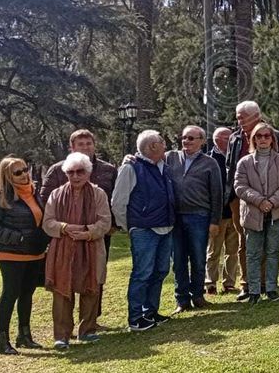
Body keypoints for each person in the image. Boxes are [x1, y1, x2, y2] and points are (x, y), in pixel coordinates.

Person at [40, 129, 117, 321]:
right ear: (71, 147)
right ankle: (64, 328)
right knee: (64, 281)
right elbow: (45, 205)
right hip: (64, 240)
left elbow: (114, 203)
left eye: (88, 143)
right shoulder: (57, 173)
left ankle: (90, 324)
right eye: (80, 144)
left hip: (96, 237)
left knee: (93, 280)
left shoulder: (106, 174)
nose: (75, 176)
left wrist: (102, 228)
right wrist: (63, 227)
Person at [42, 152, 111, 350]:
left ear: (88, 172)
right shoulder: (56, 194)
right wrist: (64, 227)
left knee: (91, 287)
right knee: (62, 290)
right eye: (71, 172)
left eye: (80, 171)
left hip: (91, 246)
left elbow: (105, 222)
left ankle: (87, 331)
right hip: (62, 248)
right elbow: (47, 222)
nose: (75, 176)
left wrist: (88, 233)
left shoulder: (98, 194)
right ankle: (61, 335)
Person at [0, 156, 50, 355]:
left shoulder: (33, 191)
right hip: (11, 254)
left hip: (34, 252)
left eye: (25, 169)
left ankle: (24, 335)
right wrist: (17, 238)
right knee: (10, 294)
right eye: (17, 172)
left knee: (27, 293)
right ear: (7, 176)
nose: (24, 174)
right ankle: (2, 340)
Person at [111, 130, 176, 332]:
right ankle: (136, 318)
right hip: (144, 230)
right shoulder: (131, 168)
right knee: (142, 273)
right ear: (152, 146)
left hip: (166, 227)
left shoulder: (164, 166)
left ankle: (151, 312)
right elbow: (118, 202)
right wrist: (130, 226)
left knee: (160, 271)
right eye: (162, 141)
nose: (165, 144)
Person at [164, 126, 223, 313]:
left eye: (191, 138)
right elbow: (148, 159)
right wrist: (130, 158)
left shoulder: (210, 163)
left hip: (199, 216)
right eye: (184, 137)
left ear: (202, 141)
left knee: (198, 259)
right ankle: (181, 300)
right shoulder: (170, 158)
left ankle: (197, 295)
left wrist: (215, 221)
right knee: (178, 261)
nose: (186, 141)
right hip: (175, 218)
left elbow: (217, 193)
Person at [235, 123, 279, 304]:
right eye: (259, 136)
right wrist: (260, 201)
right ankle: (254, 291)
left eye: (267, 136)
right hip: (253, 214)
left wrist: (272, 202)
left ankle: (271, 288)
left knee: (273, 252)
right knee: (253, 253)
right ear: (254, 139)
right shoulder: (244, 162)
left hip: (276, 213)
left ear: (272, 139)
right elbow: (240, 186)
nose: (263, 139)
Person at [225, 100, 261, 301]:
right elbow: (229, 166)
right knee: (244, 241)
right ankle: (246, 283)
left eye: (242, 117)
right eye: (238, 118)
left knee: (264, 240)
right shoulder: (235, 138)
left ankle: (263, 282)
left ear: (256, 116)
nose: (239, 121)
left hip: (264, 196)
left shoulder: (270, 134)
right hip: (239, 198)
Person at [206, 127, 239, 295]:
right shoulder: (209, 160)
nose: (231, 141)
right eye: (227, 138)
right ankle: (210, 283)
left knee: (233, 250)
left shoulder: (235, 156)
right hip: (217, 214)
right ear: (217, 140)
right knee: (214, 251)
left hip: (235, 212)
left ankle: (229, 283)